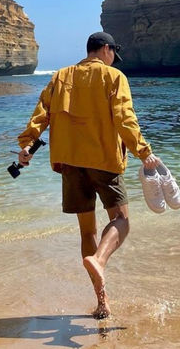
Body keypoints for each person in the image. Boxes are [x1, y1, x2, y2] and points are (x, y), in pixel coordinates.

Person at [16, 31, 160, 318]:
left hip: (69, 163)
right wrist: (144, 152)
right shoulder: (113, 77)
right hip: (104, 159)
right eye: (112, 55)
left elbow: (41, 114)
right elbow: (124, 118)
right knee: (121, 221)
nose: (112, 61)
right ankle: (100, 259)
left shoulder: (60, 76)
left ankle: (102, 302)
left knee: (87, 231)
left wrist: (26, 148)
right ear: (105, 49)